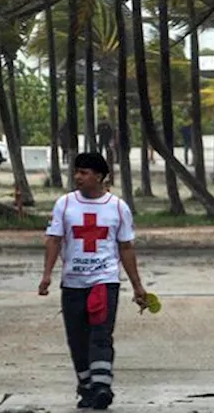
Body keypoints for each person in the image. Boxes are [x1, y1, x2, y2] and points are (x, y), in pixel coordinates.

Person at [40, 152, 148, 409]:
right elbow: (54, 240)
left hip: (104, 281)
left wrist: (137, 285)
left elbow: (126, 248)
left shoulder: (118, 208)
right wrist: (47, 275)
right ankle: (86, 387)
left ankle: (102, 385)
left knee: (100, 335)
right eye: (76, 171)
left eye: (84, 173)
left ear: (99, 177)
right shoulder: (65, 204)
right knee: (77, 339)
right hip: (73, 283)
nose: (78, 177)